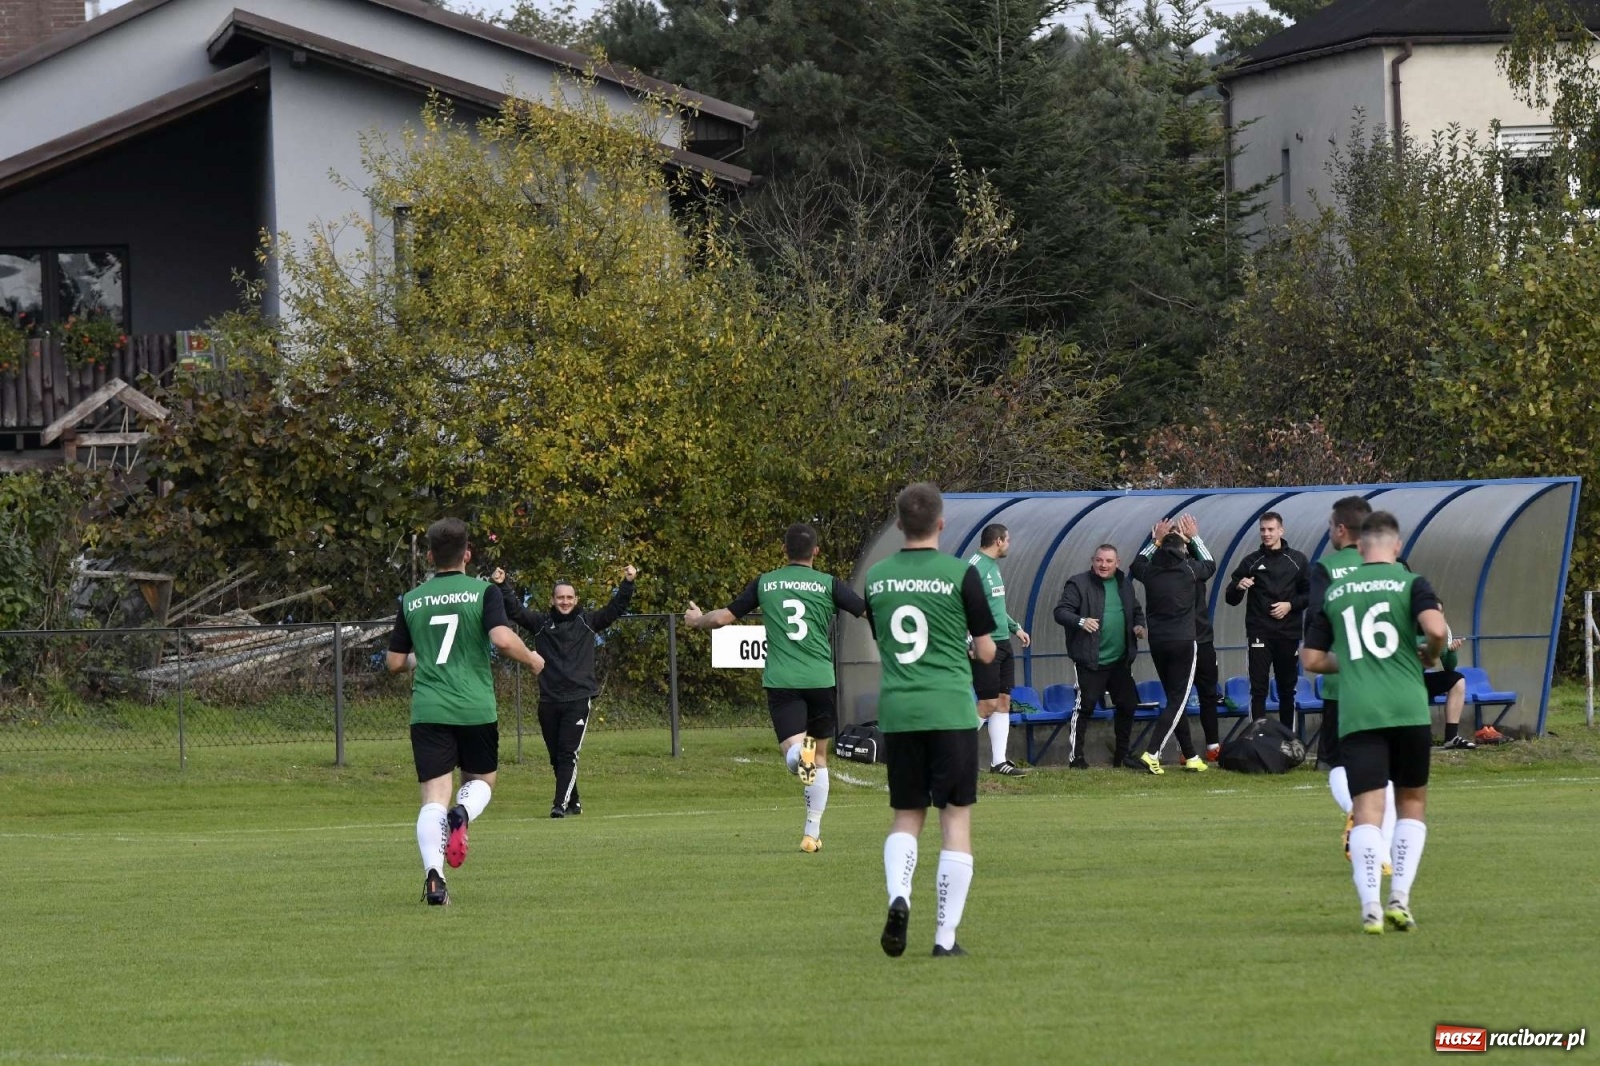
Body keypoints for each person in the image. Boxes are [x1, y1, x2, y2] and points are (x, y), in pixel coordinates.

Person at [385, 518, 545, 907]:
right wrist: (533, 660)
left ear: (428, 556)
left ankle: (434, 879)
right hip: (475, 706)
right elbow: (503, 640)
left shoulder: (411, 600)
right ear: (467, 554)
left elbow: (392, 662)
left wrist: (418, 660)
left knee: (431, 798)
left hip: (429, 709)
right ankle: (463, 812)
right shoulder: (483, 592)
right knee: (483, 783)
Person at [866, 482, 995, 958]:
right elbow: (985, 651)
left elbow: (885, 640)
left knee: (906, 814)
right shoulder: (961, 574)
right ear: (941, 523)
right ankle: (944, 938)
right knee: (955, 819)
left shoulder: (876, 579)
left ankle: (899, 895)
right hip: (949, 709)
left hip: (900, 711)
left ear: (899, 523)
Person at [1302, 511, 1447, 934]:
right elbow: (1436, 629)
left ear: (1360, 546)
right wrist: (1431, 653)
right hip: (1408, 709)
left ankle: (1370, 907)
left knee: (1367, 810)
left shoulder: (1337, 590)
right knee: (1412, 805)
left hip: (1359, 711)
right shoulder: (1411, 582)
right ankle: (1399, 898)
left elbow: (1310, 659)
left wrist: (1347, 660)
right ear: (1396, 546)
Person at [684, 522, 866, 853]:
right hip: (821, 680)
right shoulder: (828, 584)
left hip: (784, 682)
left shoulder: (766, 582)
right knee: (819, 758)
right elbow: (866, 610)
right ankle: (811, 833)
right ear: (816, 552)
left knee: (796, 758)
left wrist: (697, 620)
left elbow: (724, 618)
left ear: (784, 551)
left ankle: (800, 754)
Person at [491, 564, 638, 818]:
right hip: (548, 700)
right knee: (555, 757)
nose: (565, 602)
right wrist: (502, 584)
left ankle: (559, 804)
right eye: (560, 597)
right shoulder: (540, 623)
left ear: (576, 600)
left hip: (578, 699)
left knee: (568, 753)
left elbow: (615, 609)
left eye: (569, 597)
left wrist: (627, 582)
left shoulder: (588, 621)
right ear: (553, 599)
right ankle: (575, 802)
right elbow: (515, 610)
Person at [1309, 496, 1395, 868]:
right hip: (1389, 686)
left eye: (1330, 526)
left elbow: (1317, 620)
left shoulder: (1326, 568)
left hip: (1342, 685)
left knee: (1338, 764)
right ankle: (1384, 846)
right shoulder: (1393, 566)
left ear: (1341, 529)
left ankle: (1357, 813)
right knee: (1385, 770)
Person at [1128, 515, 1215, 774]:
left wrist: (1155, 540)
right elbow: (1209, 564)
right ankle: (1151, 753)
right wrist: (1195, 537)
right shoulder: (1189, 569)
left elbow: (1136, 564)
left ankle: (1190, 755)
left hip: (1158, 643)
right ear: (1183, 548)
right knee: (1178, 700)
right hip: (1184, 642)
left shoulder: (1150, 570)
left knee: (1173, 699)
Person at [1053, 544, 1147, 770]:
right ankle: (1077, 758)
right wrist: (1081, 621)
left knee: (1128, 705)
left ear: (1118, 563)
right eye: (1099, 560)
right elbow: (1061, 612)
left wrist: (1139, 626)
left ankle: (1122, 756)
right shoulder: (1078, 583)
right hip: (1090, 660)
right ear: (1092, 561)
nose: (1103, 565)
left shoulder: (1124, 585)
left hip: (1120, 661)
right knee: (1084, 707)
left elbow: (1136, 611)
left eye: (1108, 561)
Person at [1225, 511, 1309, 729]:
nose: (1266, 533)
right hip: (1259, 633)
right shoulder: (1251, 561)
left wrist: (1290, 606)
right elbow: (1230, 598)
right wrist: (1238, 587)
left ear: (1281, 530)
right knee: (1258, 688)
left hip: (1288, 633)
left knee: (1286, 689)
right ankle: (1257, 737)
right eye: (1262, 529)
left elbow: (1310, 594)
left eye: (1271, 529)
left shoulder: (1297, 560)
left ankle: (1287, 740)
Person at [966, 524, 1032, 776]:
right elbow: (961, 605)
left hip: (1002, 641)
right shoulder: (974, 566)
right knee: (987, 703)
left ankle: (999, 762)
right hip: (985, 643)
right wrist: (968, 640)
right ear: (998, 541)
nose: (1009, 545)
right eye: (1008, 540)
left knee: (1003, 701)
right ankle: (949, 753)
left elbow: (993, 605)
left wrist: (1015, 628)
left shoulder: (992, 566)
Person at [1181, 514, 1224, 761]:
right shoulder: (1166, 567)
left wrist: (1194, 538)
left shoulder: (1196, 566)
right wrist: (1157, 541)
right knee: (1180, 698)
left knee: (1209, 693)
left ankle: (1212, 747)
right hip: (1181, 642)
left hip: (1203, 640)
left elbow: (1209, 562)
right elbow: (1140, 567)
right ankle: (1186, 752)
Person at [1426, 607, 1474, 750]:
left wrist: (1451, 652)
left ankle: (1451, 737)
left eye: (1440, 613)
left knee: (1457, 679)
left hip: (1417, 680)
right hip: (1400, 680)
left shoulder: (1443, 631)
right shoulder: (1409, 628)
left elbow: (1448, 667)